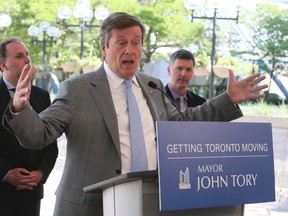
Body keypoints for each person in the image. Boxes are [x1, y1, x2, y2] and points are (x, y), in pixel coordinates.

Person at [2, 12, 268, 216]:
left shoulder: (152, 86)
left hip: (148, 202)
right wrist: (19, 108)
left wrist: (229, 98)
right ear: (104, 49)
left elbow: (182, 125)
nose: (131, 49)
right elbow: (40, 135)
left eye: (136, 42)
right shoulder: (78, 89)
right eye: (121, 43)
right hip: (91, 207)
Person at [0, 38, 58, 216]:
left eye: (27, 55)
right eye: (19, 56)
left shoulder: (41, 95)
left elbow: (50, 141)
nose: (27, 59)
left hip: (31, 192)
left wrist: (41, 172)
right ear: (3, 64)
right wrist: (5, 173)